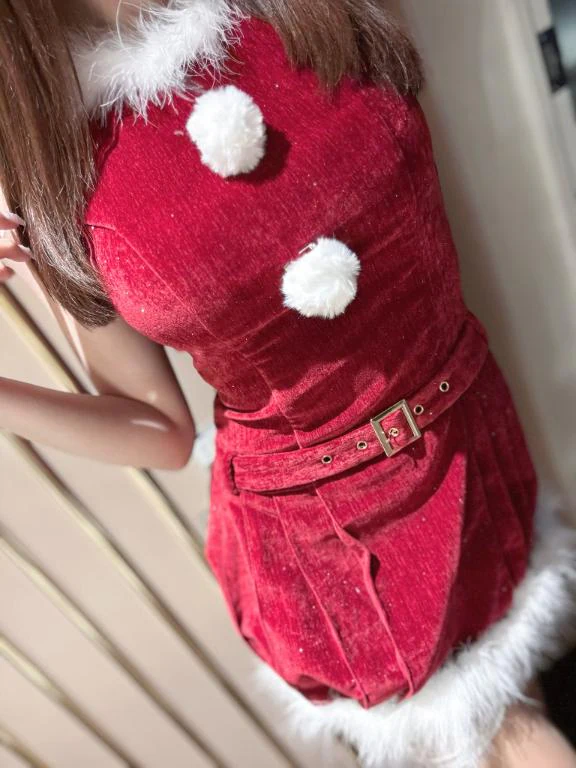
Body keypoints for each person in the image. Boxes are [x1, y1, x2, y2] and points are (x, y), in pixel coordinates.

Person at [1, 1, 575, 766]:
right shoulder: (54, 152)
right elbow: (159, 429)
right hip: (331, 543)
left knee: (511, 685)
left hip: (466, 427)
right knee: (505, 735)